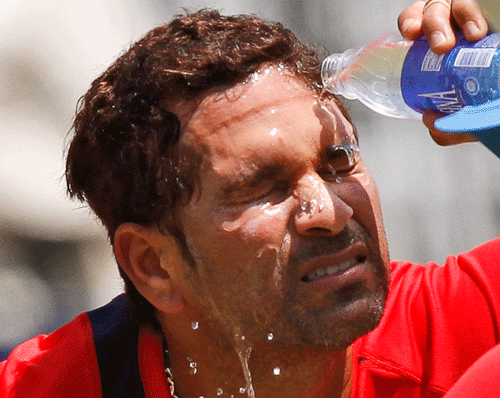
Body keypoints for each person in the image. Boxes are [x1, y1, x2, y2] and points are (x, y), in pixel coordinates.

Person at [1, 1, 498, 397]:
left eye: (339, 161)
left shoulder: (466, 329)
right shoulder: (48, 386)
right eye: (263, 187)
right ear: (153, 264)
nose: (329, 211)